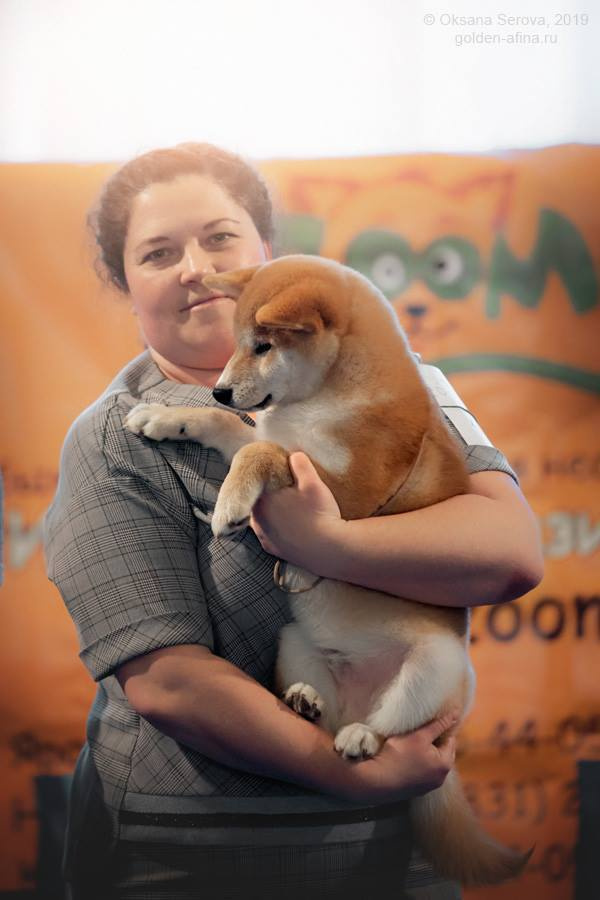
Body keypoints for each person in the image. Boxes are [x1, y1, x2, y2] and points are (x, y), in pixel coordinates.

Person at [44, 143, 543, 900]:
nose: (193, 268)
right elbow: (166, 678)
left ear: (264, 254)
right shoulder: (113, 437)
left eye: (218, 238)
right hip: (188, 861)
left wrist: (331, 543)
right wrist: (347, 771)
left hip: (391, 853)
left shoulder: (406, 379)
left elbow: (510, 552)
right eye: (156, 253)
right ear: (126, 285)